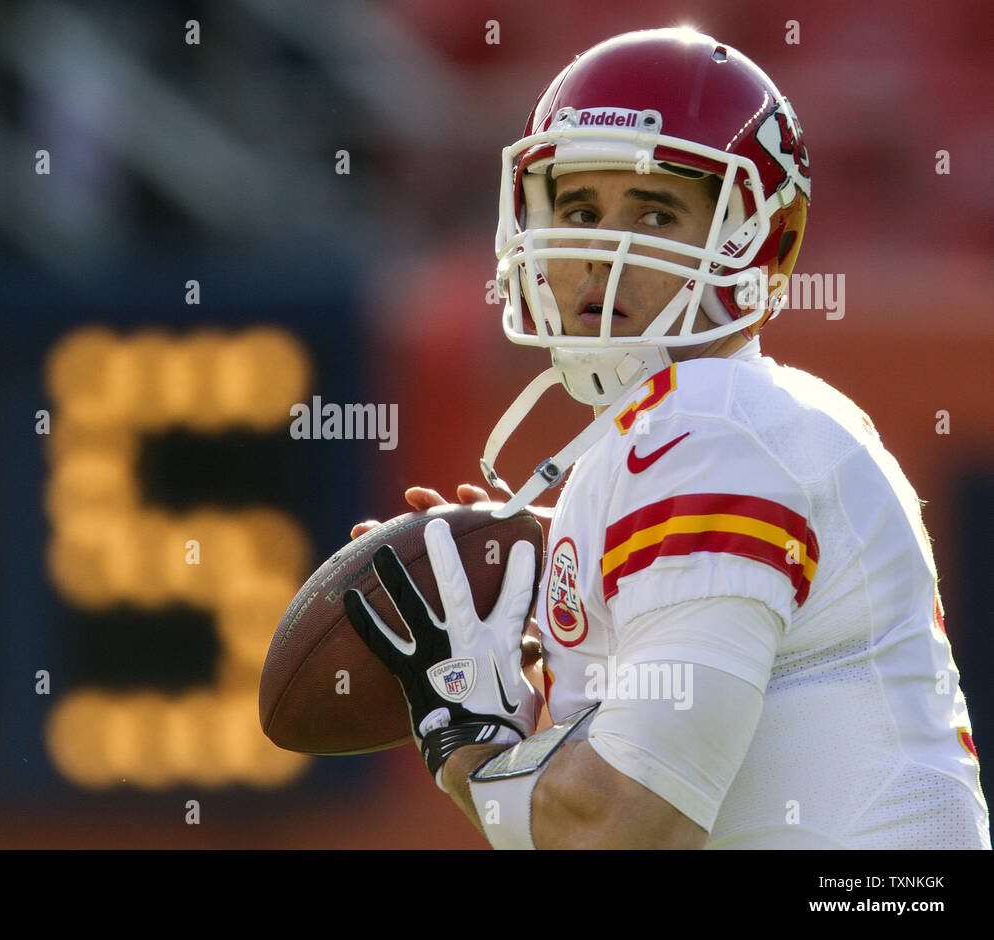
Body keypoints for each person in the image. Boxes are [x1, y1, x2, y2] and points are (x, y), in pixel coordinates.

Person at [345, 27, 989, 849]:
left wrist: (467, 738)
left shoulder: (706, 425)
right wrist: (527, 699)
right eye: (578, 209)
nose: (599, 250)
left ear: (759, 240)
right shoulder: (705, 428)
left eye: (655, 212)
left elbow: (625, 827)